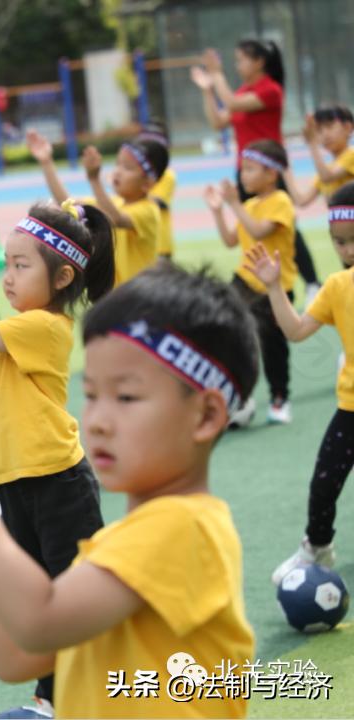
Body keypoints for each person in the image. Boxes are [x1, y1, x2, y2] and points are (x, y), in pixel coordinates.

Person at [0, 264, 258, 719]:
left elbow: (37, 621)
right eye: (91, 395)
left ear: (206, 416)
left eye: (126, 397)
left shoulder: (182, 526)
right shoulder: (118, 543)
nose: (99, 420)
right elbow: (16, 656)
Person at [0, 200, 114, 716]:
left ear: (62, 277)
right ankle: (52, 696)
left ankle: (93, 692)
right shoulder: (17, 329)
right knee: (38, 599)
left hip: (57, 482)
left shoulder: (45, 327)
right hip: (16, 482)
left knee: (73, 598)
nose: (7, 277)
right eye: (5, 264)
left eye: (20, 265)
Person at [244, 181, 354, 584]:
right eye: (339, 242)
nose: (348, 250)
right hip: (350, 409)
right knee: (324, 483)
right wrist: (274, 286)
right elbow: (295, 330)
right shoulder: (337, 286)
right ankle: (317, 548)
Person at [191, 39, 321, 299]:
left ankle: (310, 283)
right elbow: (218, 121)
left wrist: (216, 73)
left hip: (270, 169)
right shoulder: (241, 92)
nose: (237, 65)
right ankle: (254, 281)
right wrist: (207, 90)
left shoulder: (270, 90)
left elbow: (231, 103)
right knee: (247, 226)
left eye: (241, 59)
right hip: (246, 170)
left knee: (283, 227)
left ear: (259, 61)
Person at [205, 140, 296, 425]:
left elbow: (258, 231)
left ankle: (280, 397)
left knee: (272, 346)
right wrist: (219, 210)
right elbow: (231, 240)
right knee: (231, 337)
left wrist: (233, 203)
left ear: (272, 174)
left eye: (251, 169)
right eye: (243, 169)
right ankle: (239, 397)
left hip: (273, 287)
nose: (243, 175)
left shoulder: (280, 201)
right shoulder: (250, 204)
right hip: (244, 280)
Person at [28, 130, 166, 286]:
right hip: (114, 297)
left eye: (127, 167)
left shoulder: (149, 211)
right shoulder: (114, 203)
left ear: (147, 184)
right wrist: (46, 162)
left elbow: (115, 218)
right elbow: (67, 202)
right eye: (118, 164)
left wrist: (94, 180)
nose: (118, 172)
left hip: (137, 298)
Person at [284, 105, 354, 218]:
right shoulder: (326, 169)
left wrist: (312, 144)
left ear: (348, 128)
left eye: (329, 126)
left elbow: (327, 177)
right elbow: (301, 201)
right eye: (319, 130)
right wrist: (284, 167)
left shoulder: (351, 155)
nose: (325, 134)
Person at [137, 122, 179, 259]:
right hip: (144, 242)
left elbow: (157, 201)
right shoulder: (137, 175)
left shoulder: (167, 176)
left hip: (161, 244)